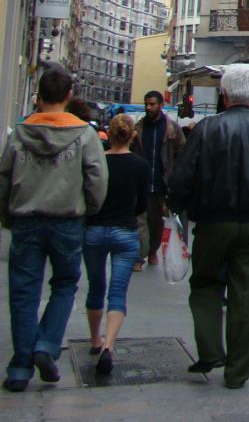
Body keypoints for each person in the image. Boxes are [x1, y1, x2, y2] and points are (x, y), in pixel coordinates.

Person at [167, 64, 249, 389]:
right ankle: (238, 372)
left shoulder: (207, 129)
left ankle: (211, 350)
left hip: (213, 223)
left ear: (224, 95)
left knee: (206, 285)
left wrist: (174, 209)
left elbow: (183, 177)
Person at [0, 66, 107, 393]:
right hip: (67, 220)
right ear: (68, 96)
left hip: (27, 221)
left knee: (23, 292)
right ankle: (46, 345)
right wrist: (87, 209)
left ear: (39, 96)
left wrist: (7, 215)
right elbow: (98, 180)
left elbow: (4, 177)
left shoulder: (19, 134)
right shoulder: (85, 134)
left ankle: (20, 367)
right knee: (64, 284)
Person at [82, 113, 149, 375]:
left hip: (95, 230)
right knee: (118, 293)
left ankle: (94, 340)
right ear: (133, 136)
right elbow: (142, 204)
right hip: (125, 231)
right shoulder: (140, 165)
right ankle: (109, 346)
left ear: (108, 134)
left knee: (95, 287)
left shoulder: (97, 162)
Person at [134, 90, 185, 269]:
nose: (148, 107)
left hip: (161, 183)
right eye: (146, 104)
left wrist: (175, 179)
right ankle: (139, 257)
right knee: (140, 221)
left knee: (156, 223)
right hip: (142, 183)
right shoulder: (138, 128)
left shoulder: (172, 129)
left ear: (161, 105)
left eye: (152, 104)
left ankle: (152, 250)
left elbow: (181, 154)